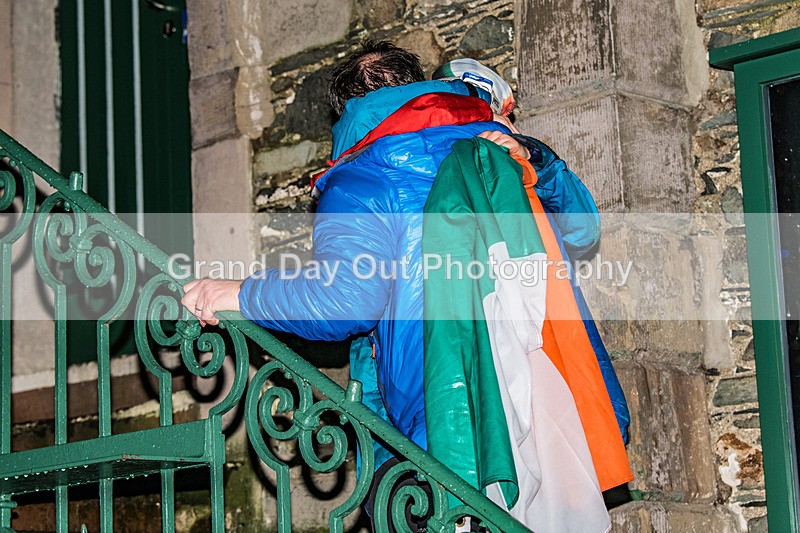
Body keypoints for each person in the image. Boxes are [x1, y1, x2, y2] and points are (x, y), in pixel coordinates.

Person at [181, 41, 630, 532]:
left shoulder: (362, 177)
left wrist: (237, 294)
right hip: (548, 399)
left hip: (445, 419)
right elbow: (583, 230)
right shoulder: (497, 145)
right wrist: (537, 158)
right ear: (419, 82)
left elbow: (345, 300)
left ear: (346, 112)